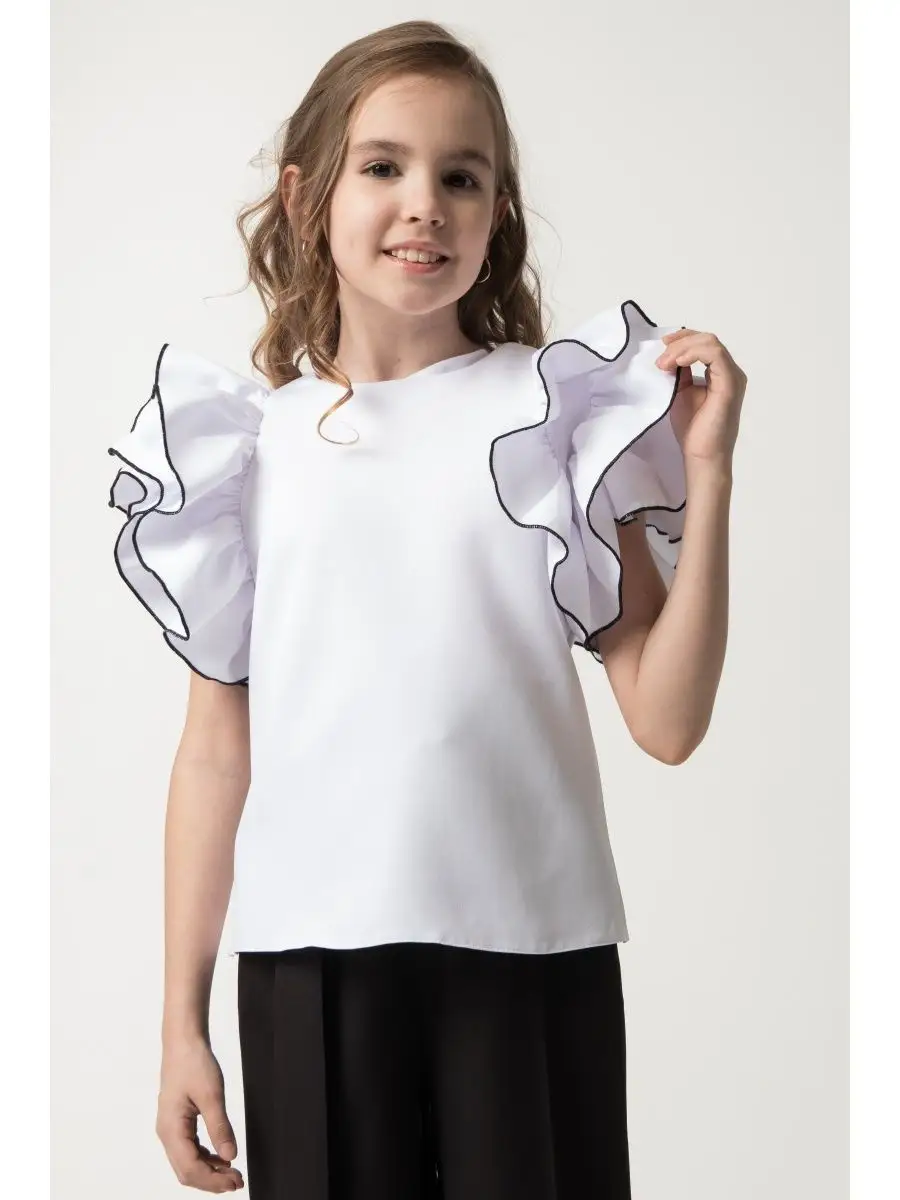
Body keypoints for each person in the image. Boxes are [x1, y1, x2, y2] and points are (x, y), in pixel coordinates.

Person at [106, 19, 746, 1200]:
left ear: (498, 211)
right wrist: (179, 1024)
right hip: (310, 960)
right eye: (384, 166)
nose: (425, 206)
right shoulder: (248, 449)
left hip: (529, 950)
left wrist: (706, 479)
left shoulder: (553, 415)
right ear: (307, 197)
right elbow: (214, 752)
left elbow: (666, 721)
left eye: (462, 177)